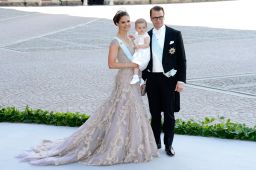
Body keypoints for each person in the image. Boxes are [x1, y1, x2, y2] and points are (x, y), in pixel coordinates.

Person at [16, 10, 158, 166]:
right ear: (117, 23)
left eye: (128, 21)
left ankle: (132, 145)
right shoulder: (115, 42)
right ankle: (115, 145)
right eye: (123, 22)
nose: (126, 24)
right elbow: (111, 64)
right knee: (121, 109)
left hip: (133, 80)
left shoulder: (131, 38)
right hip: (124, 79)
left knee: (133, 109)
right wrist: (131, 64)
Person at [142, 6, 187, 157]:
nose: (158, 20)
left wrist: (181, 80)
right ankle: (156, 142)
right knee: (154, 114)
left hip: (169, 80)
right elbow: (142, 60)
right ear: (151, 19)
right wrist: (142, 80)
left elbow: (182, 59)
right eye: (155, 18)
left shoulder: (175, 34)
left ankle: (168, 145)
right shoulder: (146, 36)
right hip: (152, 80)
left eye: (160, 17)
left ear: (164, 16)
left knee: (169, 114)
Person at [129, 18, 150, 85]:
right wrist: (133, 39)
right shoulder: (137, 34)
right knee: (135, 64)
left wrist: (139, 46)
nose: (142, 29)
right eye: (139, 28)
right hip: (138, 51)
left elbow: (147, 45)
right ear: (136, 28)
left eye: (144, 27)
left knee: (137, 63)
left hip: (143, 52)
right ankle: (138, 78)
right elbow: (136, 41)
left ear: (146, 28)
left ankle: (137, 77)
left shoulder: (146, 36)